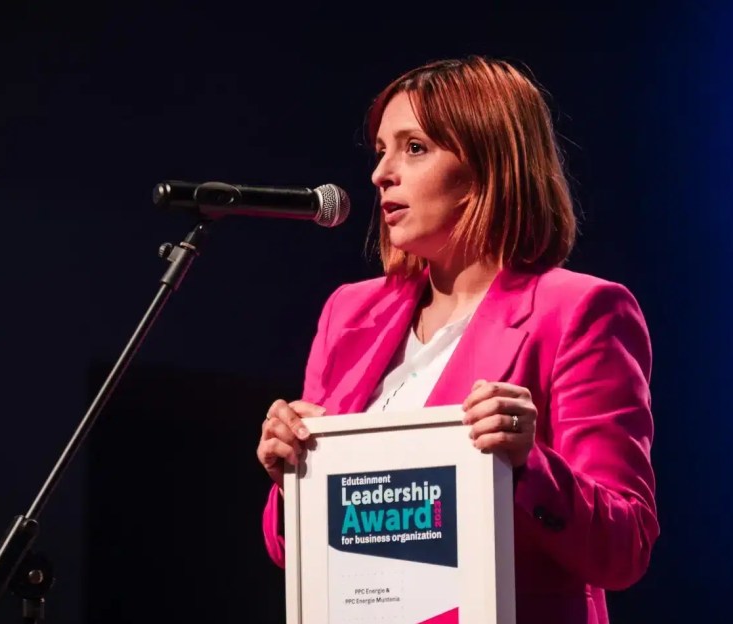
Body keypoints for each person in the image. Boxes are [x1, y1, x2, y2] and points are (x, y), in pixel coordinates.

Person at [255, 55, 658, 624]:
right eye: (381, 151)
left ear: (487, 166)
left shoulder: (580, 311)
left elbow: (625, 548)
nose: (381, 174)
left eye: (414, 148)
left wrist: (528, 464)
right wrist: (291, 476)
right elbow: (296, 554)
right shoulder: (349, 313)